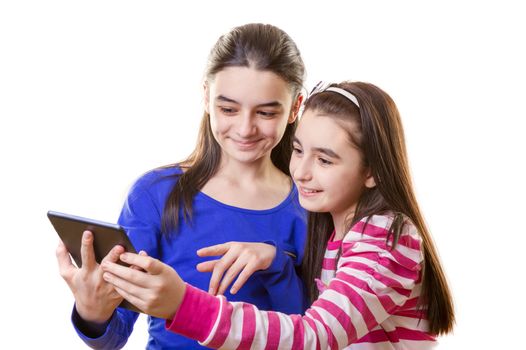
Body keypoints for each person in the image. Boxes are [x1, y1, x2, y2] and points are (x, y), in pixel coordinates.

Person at [101, 81, 456, 349]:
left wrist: (184, 304)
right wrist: (275, 261)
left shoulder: (385, 237)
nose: (301, 171)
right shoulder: (334, 233)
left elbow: (313, 336)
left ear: (371, 171)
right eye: (298, 150)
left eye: (325, 159)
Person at [56, 23, 309, 349]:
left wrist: (277, 263)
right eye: (228, 109)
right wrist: (92, 311)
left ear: (296, 107)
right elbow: (114, 335)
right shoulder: (156, 195)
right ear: (206, 96)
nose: (245, 128)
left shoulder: (310, 206)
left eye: (265, 112)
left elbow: (317, 333)